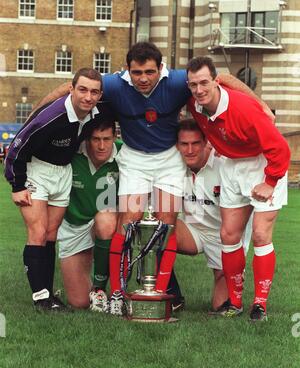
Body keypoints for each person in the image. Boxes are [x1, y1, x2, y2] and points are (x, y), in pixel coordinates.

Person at [30, 42, 274, 316]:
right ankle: (118, 293)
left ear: (161, 69)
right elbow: (68, 87)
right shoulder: (113, 84)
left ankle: (160, 290)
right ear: (127, 70)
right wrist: (35, 116)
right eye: (136, 72)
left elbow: (225, 79)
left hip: (168, 159)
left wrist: (261, 105)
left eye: (149, 72)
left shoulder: (179, 81)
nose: (143, 79)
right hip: (135, 158)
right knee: (129, 219)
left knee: (165, 222)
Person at [186, 56, 291, 321]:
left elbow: (280, 148)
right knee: (229, 234)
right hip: (231, 166)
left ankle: (260, 305)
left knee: (259, 235)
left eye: (204, 83)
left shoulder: (243, 108)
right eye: (193, 85)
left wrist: (270, 181)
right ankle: (234, 302)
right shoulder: (195, 106)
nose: (199, 90)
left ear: (215, 81)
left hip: (263, 163)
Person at [4, 67, 108, 311]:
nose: (87, 96)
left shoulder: (95, 113)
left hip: (63, 172)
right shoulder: (51, 116)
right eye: (82, 89)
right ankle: (40, 298)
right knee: (38, 233)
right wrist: (17, 185)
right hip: (36, 171)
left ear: (100, 95)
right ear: (71, 89)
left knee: (51, 234)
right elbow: (16, 147)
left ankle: (48, 294)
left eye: (94, 92)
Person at [176, 118, 252, 311]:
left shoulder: (224, 165)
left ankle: (231, 273)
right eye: (184, 144)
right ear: (177, 145)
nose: (190, 150)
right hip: (193, 229)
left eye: (195, 143)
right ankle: (171, 295)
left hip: (225, 235)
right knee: (157, 229)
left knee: (222, 307)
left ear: (206, 142)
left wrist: (237, 252)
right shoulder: (173, 164)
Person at [57, 118, 120, 312]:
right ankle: (86, 281)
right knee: (80, 303)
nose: (102, 146)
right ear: (87, 139)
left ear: (115, 136)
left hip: (104, 225)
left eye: (107, 139)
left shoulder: (125, 154)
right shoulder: (71, 153)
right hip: (73, 227)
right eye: (96, 139)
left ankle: (99, 289)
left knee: (106, 218)